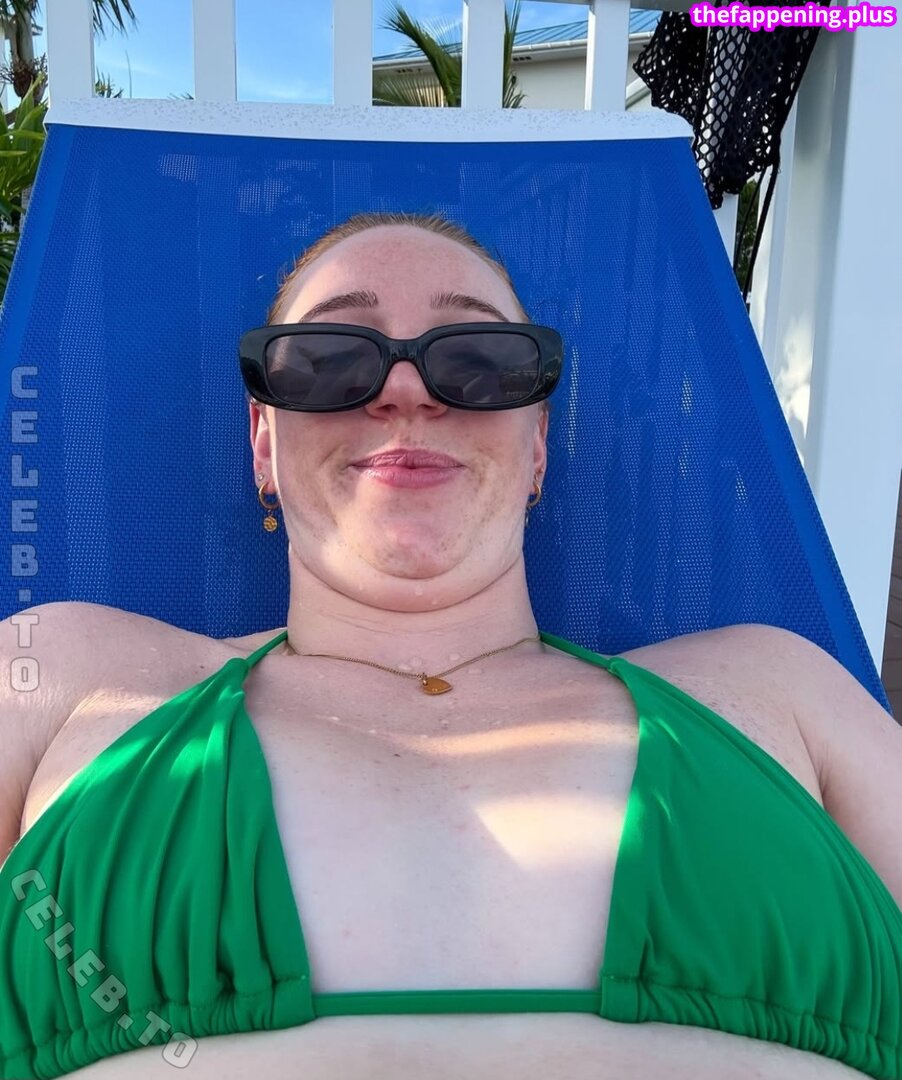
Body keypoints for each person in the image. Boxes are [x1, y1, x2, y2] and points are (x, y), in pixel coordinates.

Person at [1, 212, 900, 1080]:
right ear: (263, 441)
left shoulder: (774, 683)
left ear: (538, 444)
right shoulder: (62, 670)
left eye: (477, 361)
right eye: (330, 358)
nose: (407, 391)